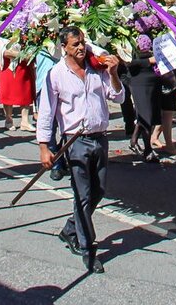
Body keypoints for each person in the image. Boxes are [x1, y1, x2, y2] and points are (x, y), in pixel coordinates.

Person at [37, 26, 123, 273]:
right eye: (75, 44)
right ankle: (88, 249)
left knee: (99, 191)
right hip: (75, 142)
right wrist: (44, 147)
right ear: (64, 46)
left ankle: (71, 228)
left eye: (83, 42)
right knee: (83, 196)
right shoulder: (56, 74)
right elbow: (46, 112)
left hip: (100, 138)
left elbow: (117, 97)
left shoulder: (96, 69)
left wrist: (114, 73)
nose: (81, 47)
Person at [125, 32, 162, 163]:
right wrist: (148, 61)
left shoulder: (154, 29)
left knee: (147, 114)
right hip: (139, 83)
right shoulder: (128, 37)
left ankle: (134, 141)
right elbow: (128, 62)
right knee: (146, 115)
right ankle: (148, 150)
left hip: (154, 82)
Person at [0, 35, 35, 131]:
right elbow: (4, 52)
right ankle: (9, 120)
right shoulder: (1, 33)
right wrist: (21, 55)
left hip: (23, 65)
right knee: (8, 91)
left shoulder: (26, 31)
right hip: (7, 65)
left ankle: (25, 121)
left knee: (25, 90)